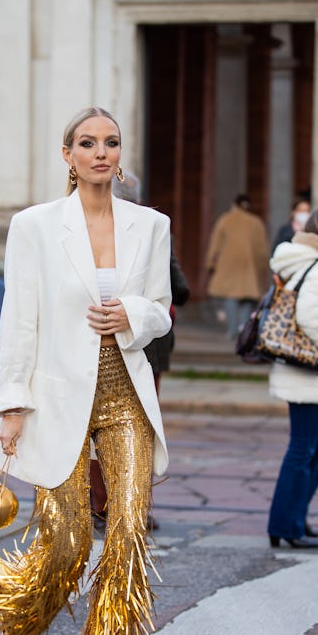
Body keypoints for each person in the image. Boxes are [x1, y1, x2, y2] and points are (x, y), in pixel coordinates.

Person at [0, 106, 172, 635]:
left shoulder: (151, 224)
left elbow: (164, 309)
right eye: (87, 143)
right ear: (67, 155)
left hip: (126, 398)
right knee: (66, 545)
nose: (100, 153)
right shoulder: (34, 226)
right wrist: (11, 403)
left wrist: (133, 316)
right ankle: (24, 622)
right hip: (58, 397)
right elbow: (20, 317)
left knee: (126, 541)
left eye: (111, 143)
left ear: (121, 154)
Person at [90, 173, 189, 533]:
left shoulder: (151, 228)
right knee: (140, 425)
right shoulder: (152, 229)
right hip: (146, 346)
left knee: (96, 431)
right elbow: (179, 287)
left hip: (128, 339)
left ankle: (102, 503)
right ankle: (135, 506)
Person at [267, 207, 318, 550]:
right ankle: (285, 524)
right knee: (303, 449)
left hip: (308, 371)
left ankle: (295, 516)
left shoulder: (300, 260)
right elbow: (308, 315)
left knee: (315, 446)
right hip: (310, 372)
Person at [205, 193, 269, 339]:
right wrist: (261, 267)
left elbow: (216, 244)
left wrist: (210, 263)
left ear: (234, 204)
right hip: (249, 266)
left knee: (231, 297)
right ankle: (243, 329)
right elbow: (262, 249)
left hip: (228, 265)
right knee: (249, 297)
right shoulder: (256, 222)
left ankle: (232, 329)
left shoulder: (225, 220)